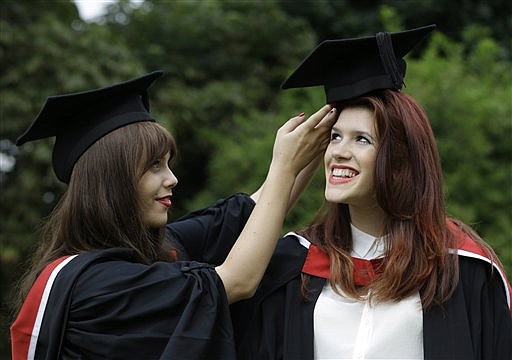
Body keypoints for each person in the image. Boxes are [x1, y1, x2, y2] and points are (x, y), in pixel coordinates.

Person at [218, 25, 510, 359]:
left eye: (362, 139)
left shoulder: (463, 268)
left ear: (399, 159)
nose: (339, 152)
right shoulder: (292, 265)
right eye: (335, 137)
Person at [9, 70, 338, 359]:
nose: (172, 178)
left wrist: (316, 142)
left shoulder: (155, 248)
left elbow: (251, 213)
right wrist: (283, 163)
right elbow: (237, 281)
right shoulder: (94, 286)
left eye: (167, 163)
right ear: (114, 181)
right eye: (154, 166)